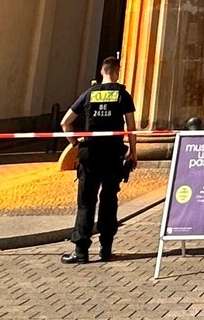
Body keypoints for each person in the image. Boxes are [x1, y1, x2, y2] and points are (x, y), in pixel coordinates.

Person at [61, 55, 137, 264]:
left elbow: (65, 123)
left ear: (102, 71)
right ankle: (106, 248)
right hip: (113, 155)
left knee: (86, 203)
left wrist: (76, 144)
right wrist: (133, 151)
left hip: (90, 155)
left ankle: (81, 251)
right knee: (109, 200)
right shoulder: (123, 94)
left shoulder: (88, 94)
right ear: (117, 71)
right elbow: (131, 127)